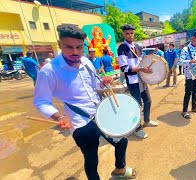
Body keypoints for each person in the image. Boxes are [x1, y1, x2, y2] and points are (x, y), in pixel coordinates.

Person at [33, 24, 137, 179]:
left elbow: (93, 85)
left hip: (101, 112)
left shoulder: (86, 62)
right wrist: (59, 117)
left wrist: (102, 83)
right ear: (60, 44)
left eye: (79, 47)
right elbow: (41, 100)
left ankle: (119, 170)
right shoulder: (49, 71)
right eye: (69, 47)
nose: (76, 52)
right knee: (91, 157)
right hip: (79, 122)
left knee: (121, 141)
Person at [118, 24, 158, 139]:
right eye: (127, 33)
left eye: (131, 33)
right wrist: (141, 69)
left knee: (148, 101)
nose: (130, 35)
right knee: (137, 105)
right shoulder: (122, 48)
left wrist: (147, 71)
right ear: (123, 34)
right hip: (132, 81)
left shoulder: (138, 47)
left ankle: (146, 121)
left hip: (142, 79)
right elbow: (124, 68)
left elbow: (142, 63)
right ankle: (137, 128)